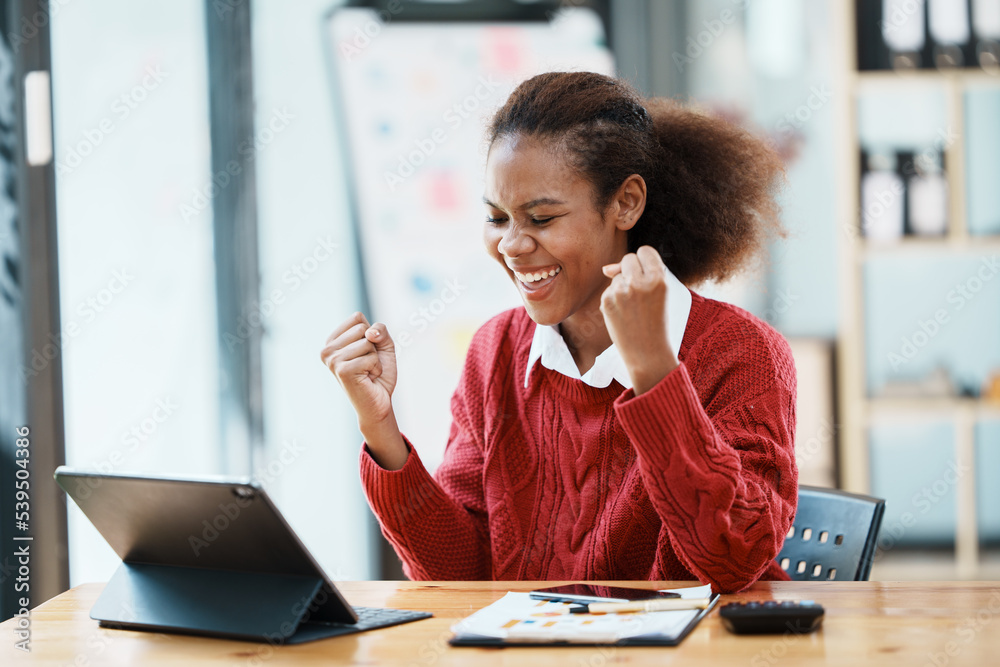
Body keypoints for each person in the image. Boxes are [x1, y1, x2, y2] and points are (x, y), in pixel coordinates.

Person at [321, 72, 797, 593]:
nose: (512, 245)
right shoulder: (495, 351)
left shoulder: (740, 351)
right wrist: (381, 429)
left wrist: (655, 373)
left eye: (542, 218)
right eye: (497, 217)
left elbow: (732, 562)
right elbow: (462, 576)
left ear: (625, 204)